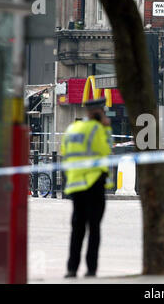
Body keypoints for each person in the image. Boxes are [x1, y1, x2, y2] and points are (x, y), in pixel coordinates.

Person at [61, 98, 114, 278]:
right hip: (94, 183)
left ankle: (71, 268)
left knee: (77, 228)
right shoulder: (98, 129)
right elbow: (106, 150)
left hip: (76, 184)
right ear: (99, 112)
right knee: (94, 228)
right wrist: (106, 127)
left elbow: (65, 154)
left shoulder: (71, 129)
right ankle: (91, 269)